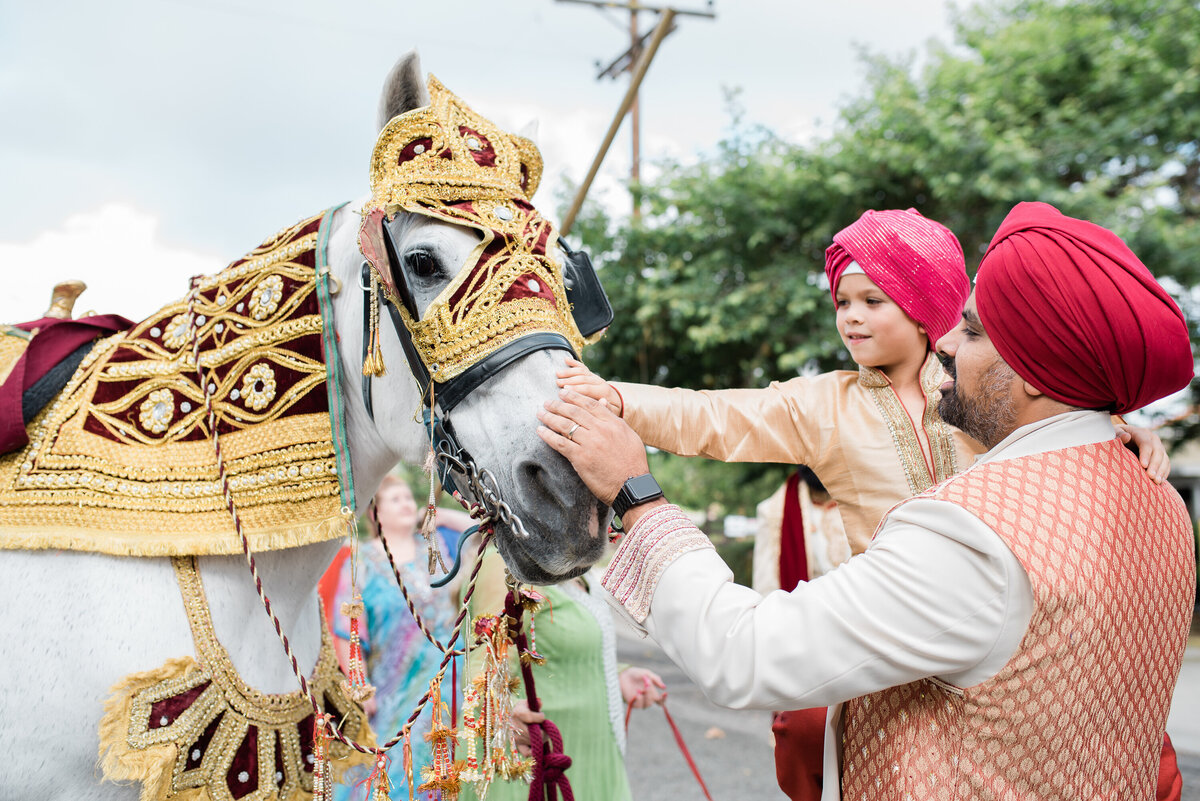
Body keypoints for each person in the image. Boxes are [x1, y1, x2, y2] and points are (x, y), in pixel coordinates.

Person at [538, 201, 1196, 799]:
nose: (851, 315)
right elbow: (716, 415)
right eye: (841, 301)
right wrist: (614, 398)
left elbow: (745, 655)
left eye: (874, 300)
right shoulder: (1153, 497)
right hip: (875, 651)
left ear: (922, 306)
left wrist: (636, 492)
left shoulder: (978, 482)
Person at [457, 542, 665, 801]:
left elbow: (559, 645)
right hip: (533, 765)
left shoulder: (571, 562)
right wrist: (503, 712)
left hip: (592, 752)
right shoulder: (504, 563)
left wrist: (618, 675)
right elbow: (484, 663)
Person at [325, 475, 472, 801]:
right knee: (392, 770)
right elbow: (346, 629)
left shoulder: (436, 547)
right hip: (393, 689)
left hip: (449, 685)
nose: (407, 503)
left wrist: (445, 516)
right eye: (395, 499)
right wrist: (359, 686)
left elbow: (485, 535)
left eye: (409, 497)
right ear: (375, 513)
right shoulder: (360, 559)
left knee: (446, 769)